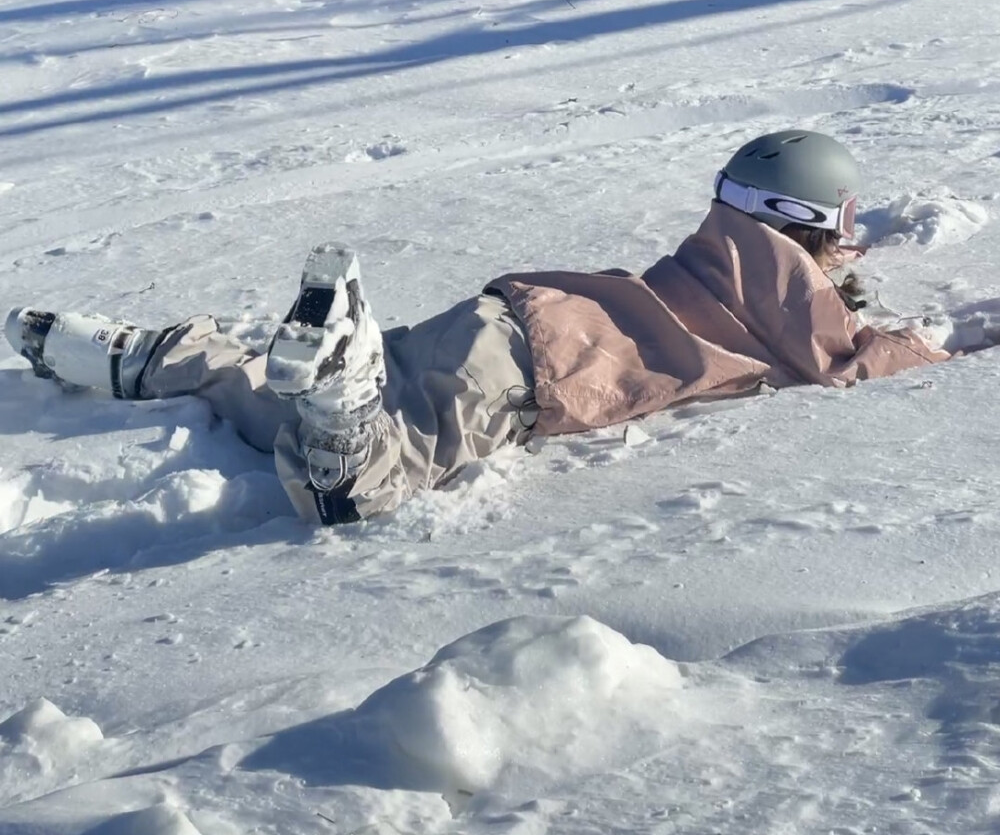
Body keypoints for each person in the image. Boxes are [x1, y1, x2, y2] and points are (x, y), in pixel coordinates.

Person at [4, 130, 949, 526]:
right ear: (806, 225)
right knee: (362, 482)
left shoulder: (714, 252)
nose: (849, 251)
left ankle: (160, 359)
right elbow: (845, 368)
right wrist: (951, 346)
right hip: (533, 368)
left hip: (501, 320)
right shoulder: (782, 279)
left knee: (264, 406)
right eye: (842, 230)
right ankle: (344, 416)